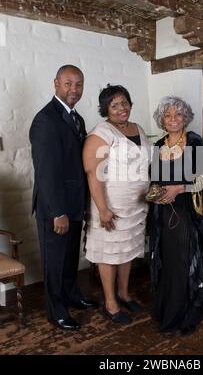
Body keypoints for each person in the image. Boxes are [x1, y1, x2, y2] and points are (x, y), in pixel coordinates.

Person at [29, 65, 98, 331]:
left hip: (74, 204)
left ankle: (72, 295)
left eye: (79, 84)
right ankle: (56, 311)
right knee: (55, 262)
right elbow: (46, 172)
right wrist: (58, 211)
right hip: (55, 208)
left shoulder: (76, 118)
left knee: (70, 258)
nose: (74, 89)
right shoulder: (45, 119)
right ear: (56, 83)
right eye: (68, 83)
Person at [83, 84, 152, 325]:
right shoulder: (101, 133)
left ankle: (124, 293)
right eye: (115, 105)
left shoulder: (138, 128)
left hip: (136, 206)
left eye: (125, 103)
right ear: (105, 109)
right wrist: (103, 209)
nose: (121, 108)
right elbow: (93, 172)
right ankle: (110, 302)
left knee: (128, 251)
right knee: (110, 253)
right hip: (110, 206)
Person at [148, 96, 203, 334]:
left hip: (187, 214)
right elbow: (155, 180)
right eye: (167, 115)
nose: (173, 119)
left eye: (178, 114)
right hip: (163, 214)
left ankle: (183, 313)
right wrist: (155, 193)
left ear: (185, 117)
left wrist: (178, 188)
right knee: (167, 262)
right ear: (162, 120)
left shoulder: (194, 143)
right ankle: (167, 308)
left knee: (183, 262)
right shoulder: (158, 146)